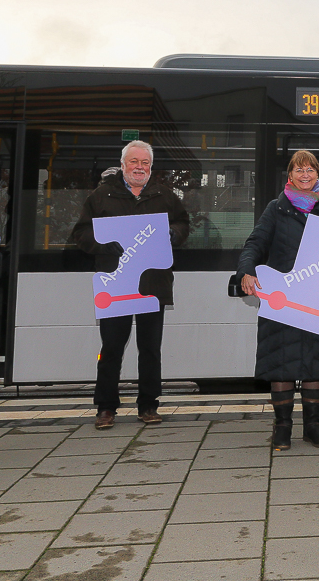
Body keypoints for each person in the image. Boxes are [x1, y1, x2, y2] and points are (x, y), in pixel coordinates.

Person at [72, 140, 190, 430]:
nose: (140, 167)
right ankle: (105, 408)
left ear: (151, 166)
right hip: (116, 283)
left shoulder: (165, 196)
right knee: (111, 347)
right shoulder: (101, 196)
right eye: (134, 162)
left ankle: (149, 405)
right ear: (123, 164)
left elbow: (184, 224)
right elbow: (81, 233)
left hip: (153, 283)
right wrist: (102, 244)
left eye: (145, 163)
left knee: (150, 348)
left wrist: (174, 233)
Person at [238, 151, 319, 450]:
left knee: (316, 364)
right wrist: (246, 271)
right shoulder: (276, 208)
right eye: (299, 169)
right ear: (290, 175)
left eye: (311, 169)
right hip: (283, 298)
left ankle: (313, 427)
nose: (305, 174)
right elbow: (255, 243)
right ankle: (282, 427)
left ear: (318, 175)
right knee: (281, 363)